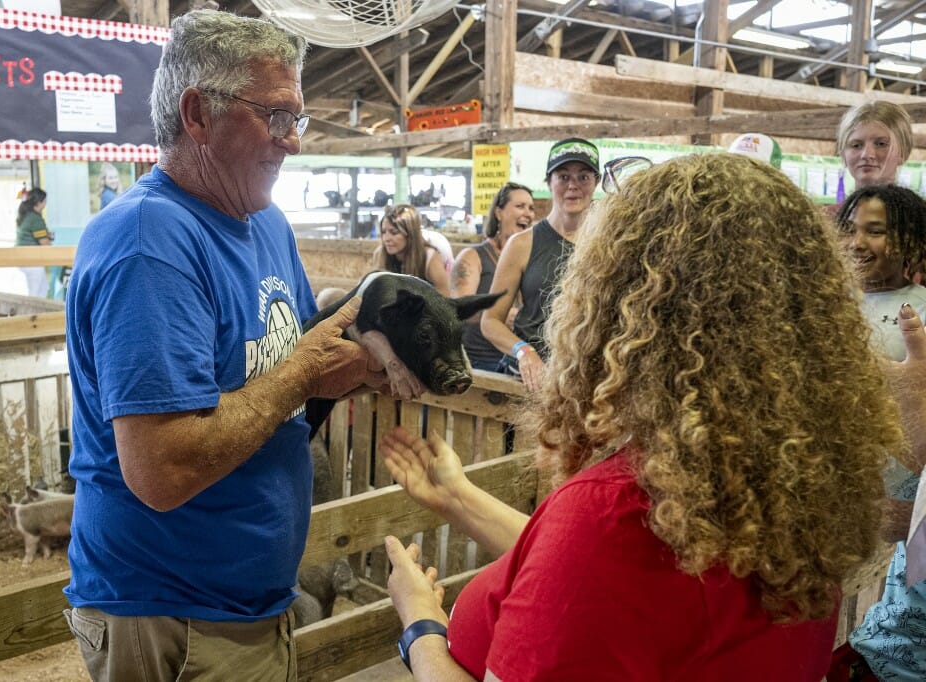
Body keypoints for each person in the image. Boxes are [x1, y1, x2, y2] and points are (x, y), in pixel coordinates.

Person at [380, 153, 903, 681]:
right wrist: (457, 496)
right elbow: (605, 583)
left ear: (620, 303)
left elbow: (599, 558)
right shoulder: (781, 484)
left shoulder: (615, 512)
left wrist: (420, 627)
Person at [61, 11, 386, 681]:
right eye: (275, 116)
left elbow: (293, 357)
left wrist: (365, 361)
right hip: (172, 613)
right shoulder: (148, 240)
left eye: (297, 119)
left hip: (245, 604)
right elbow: (161, 471)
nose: (291, 141)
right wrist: (302, 374)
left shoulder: (263, 222)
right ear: (197, 114)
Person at [834, 184, 926, 681]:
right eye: (850, 229)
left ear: (910, 241)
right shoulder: (826, 304)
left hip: (900, 506)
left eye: (876, 231)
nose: (856, 242)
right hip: (831, 493)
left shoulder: (920, 312)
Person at [480, 138, 600, 391]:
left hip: (584, 381)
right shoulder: (522, 244)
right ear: (549, 182)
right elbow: (490, 321)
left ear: (596, 182)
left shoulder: (606, 243)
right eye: (564, 176)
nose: (573, 186)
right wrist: (524, 351)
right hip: (530, 379)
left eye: (583, 177)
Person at [450, 182, 534, 371]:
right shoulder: (472, 257)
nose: (528, 213)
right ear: (499, 213)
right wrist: (499, 315)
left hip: (520, 361)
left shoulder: (530, 259)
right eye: (520, 206)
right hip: (479, 363)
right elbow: (458, 311)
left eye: (531, 208)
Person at [371, 203, 450, 295]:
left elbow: (445, 296)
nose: (386, 238)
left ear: (410, 234)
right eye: (383, 232)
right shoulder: (380, 254)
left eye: (394, 232)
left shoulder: (429, 258)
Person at [837, 101, 913, 191]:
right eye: (856, 145)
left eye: (881, 144)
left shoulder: (917, 205)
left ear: (903, 152)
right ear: (843, 154)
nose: (866, 155)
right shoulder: (844, 206)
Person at [14, 186, 52, 298]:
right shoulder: (35, 219)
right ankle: (33, 314)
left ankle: (40, 313)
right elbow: (44, 243)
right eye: (45, 200)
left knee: (43, 288)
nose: (45, 203)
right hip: (31, 260)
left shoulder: (27, 215)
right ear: (39, 202)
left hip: (23, 258)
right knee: (35, 292)